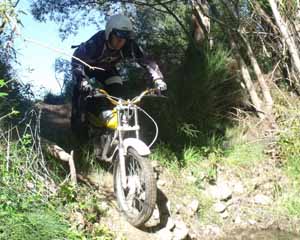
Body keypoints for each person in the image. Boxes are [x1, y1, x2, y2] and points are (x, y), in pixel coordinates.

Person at [70, 14, 167, 136]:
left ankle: (111, 127)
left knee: (118, 91)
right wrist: (82, 80)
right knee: (80, 96)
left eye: (125, 38)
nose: (121, 42)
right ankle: (77, 132)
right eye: (118, 37)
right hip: (86, 68)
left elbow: (146, 61)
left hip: (106, 69)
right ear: (109, 33)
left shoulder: (129, 45)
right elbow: (77, 61)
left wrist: (158, 79)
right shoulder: (95, 43)